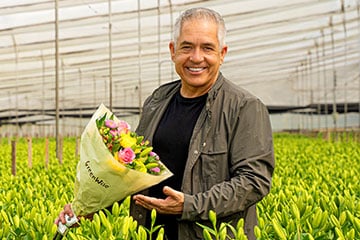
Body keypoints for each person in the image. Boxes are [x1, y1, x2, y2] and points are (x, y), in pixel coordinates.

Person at [55, 7, 274, 240]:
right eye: (186, 47)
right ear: (173, 51)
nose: (196, 57)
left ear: (222, 53)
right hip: (150, 232)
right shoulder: (157, 101)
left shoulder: (244, 107)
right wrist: (92, 207)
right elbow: (132, 172)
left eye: (207, 48)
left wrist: (188, 205)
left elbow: (254, 181)